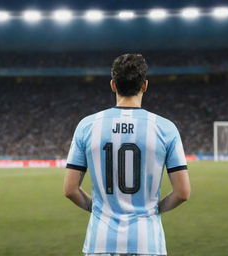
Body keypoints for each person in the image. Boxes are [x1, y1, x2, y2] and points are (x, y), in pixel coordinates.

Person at [64, 53, 191, 256]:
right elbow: (183, 193)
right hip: (147, 242)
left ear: (113, 85)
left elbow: (70, 190)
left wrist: (97, 209)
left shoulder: (87, 126)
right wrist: (154, 211)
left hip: (100, 242)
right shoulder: (165, 128)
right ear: (144, 86)